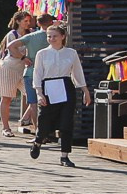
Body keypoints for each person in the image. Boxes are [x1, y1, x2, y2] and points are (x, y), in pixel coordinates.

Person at [29, 23, 88, 167]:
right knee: (44, 120)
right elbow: (37, 74)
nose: (52, 39)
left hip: (66, 86)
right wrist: (39, 93)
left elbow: (77, 72)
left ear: (62, 37)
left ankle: (64, 156)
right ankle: (38, 141)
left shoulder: (71, 53)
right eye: (49, 36)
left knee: (66, 122)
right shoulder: (42, 54)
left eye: (55, 36)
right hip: (48, 87)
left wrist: (85, 90)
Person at [0, 11, 35, 137]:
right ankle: (5, 128)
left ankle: (25, 118)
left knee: (34, 96)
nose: (28, 23)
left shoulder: (31, 33)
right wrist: (24, 58)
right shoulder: (12, 35)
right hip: (9, 68)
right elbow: (13, 51)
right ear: (18, 21)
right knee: (7, 98)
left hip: (24, 69)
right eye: (25, 21)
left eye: (29, 21)